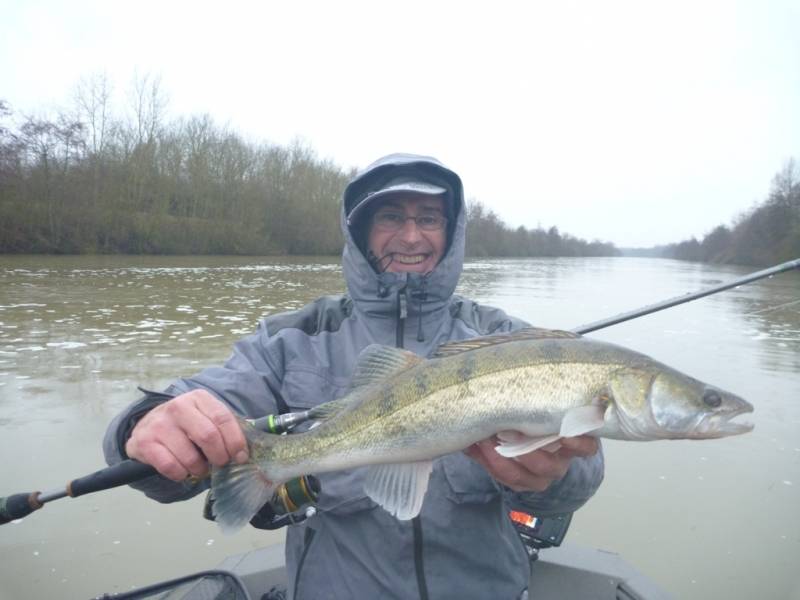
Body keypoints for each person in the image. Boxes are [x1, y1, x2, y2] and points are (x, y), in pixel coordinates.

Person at [103, 153, 604, 599]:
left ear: (451, 234)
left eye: (429, 218)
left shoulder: (506, 338)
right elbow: (196, 403)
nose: (411, 235)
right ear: (359, 230)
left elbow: (582, 476)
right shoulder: (293, 338)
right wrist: (145, 425)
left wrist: (551, 478)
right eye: (391, 217)